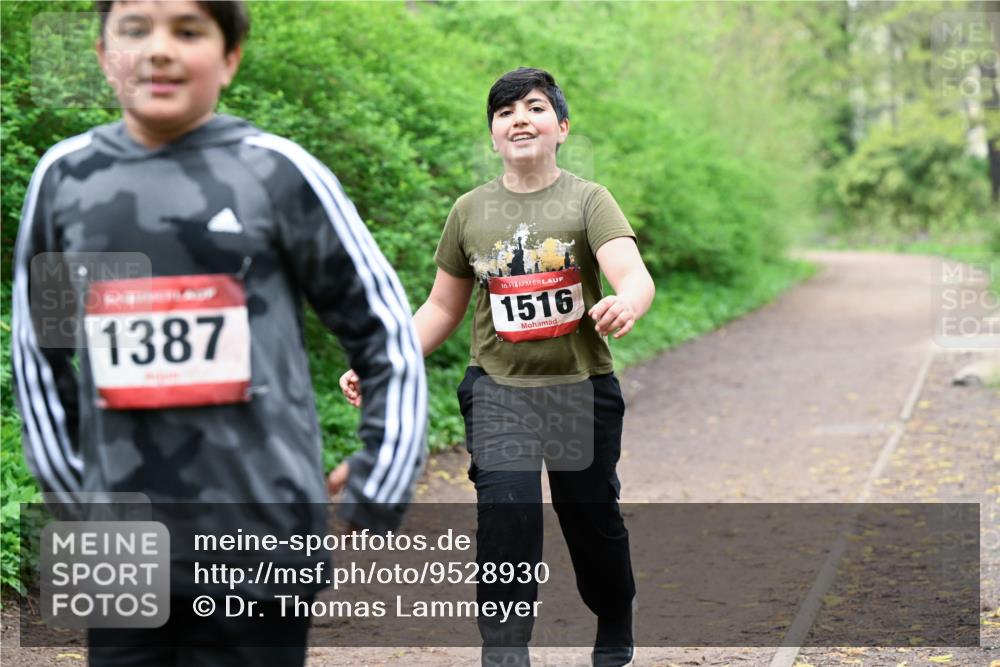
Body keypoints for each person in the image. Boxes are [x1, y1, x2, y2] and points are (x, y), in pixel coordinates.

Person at [11, 1, 426, 665]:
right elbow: (40, 358)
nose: (159, 50)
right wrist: (75, 501)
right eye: (135, 28)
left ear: (230, 57)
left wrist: (384, 472)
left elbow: (384, 333)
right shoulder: (65, 181)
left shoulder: (279, 173)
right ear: (101, 53)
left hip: (260, 536)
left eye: (188, 30)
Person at [339, 67, 655, 667]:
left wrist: (627, 302)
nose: (520, 119)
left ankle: (614, 617)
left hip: (579, 391)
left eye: (534, 108)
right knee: (506, 512)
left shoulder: (589, 200)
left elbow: (632, 273)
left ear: (561, 127)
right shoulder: (470, 211)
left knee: (590, 519)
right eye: (505, 112)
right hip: (499, 391)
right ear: (492, 134)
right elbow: (440, 307)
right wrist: (381, 359)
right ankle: (505, 650)